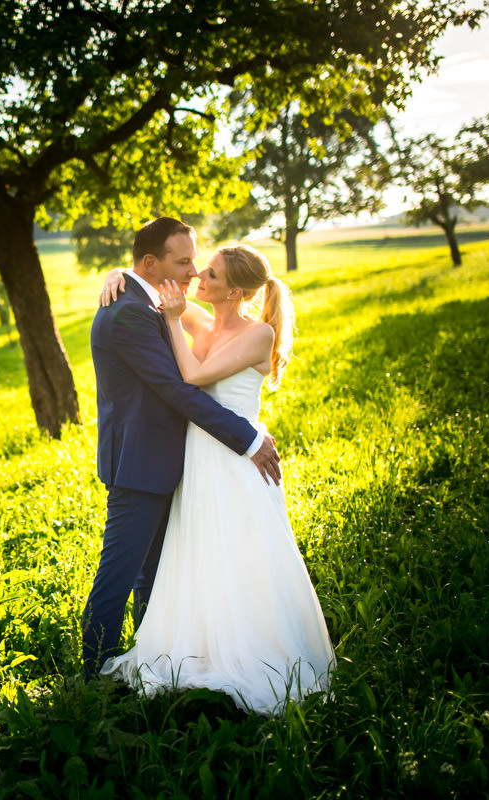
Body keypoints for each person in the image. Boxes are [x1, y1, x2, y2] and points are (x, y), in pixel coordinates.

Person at [96, 241, 334, 715]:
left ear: (235, 291)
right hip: (197, 460)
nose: (198, 278)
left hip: (236, 462)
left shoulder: (258, 334)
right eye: (200, 269)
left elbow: (193, 378)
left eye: (211, 275)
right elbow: (149, 282)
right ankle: (199, 644)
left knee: (242, 558)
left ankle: (247, 653)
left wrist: (169, 320)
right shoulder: (204, 322)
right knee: (194, 557)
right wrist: (118, 273)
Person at [83, 217, 281, 686]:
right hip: (140, 464)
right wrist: (249, 438)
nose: (193, 272)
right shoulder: (130, 309)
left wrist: (122, 273)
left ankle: (152, 657)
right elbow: (178, 389)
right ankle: (93, 680)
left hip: (170, 463)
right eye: (184, 261)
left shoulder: (147, 300)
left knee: (152, 577)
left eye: (197, 261)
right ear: (151, 263)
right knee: (120, 576)